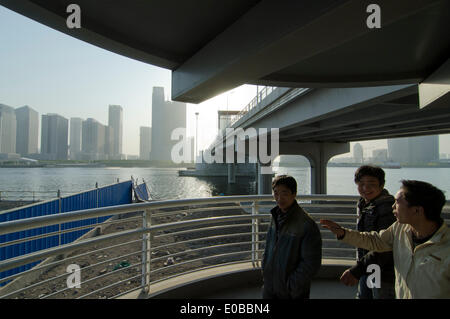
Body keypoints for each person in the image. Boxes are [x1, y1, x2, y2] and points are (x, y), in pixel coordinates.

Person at [320, 180, 450, 298]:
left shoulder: (445, 246)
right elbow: (375, 241)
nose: (393, 206)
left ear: (417, 210)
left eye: (397, 202)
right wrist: (343, 233)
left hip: (382, 274)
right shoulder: (400, 228)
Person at [262, 175, 322, 299]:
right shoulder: (275, 217)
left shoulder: (306, 224)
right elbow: (268, 247)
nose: (279, 198)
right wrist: (266, 271)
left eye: (284, 193)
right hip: (270, 287)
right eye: (276, 193)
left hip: (292, 293)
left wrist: (291, 286)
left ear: (294, 194)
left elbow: (311, 263)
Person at [341, 165, 396, 299]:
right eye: (361, 184)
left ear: (381, 185)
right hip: (370, 266)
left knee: (376, 294)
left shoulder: (386, 208)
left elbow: (383, 247)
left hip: (381, 269)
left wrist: (358, 270)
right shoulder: (367, 204)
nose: (365, 188)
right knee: (365, 294)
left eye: (371, 184)